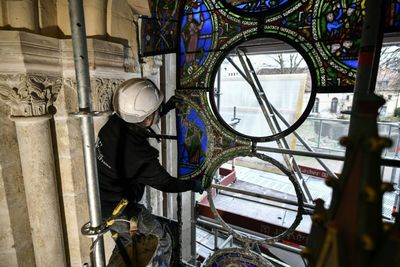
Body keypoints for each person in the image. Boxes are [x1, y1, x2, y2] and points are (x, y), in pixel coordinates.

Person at [95, 78, 204, 266]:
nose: (156, 114)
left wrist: (164, 109)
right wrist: (192, 184)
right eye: (155, 111)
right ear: (146, 118)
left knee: (127, 242)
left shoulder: (113, 124)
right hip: (118, 211)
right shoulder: (137, 155)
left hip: (101, 200)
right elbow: (166, 183)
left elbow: (141, 119)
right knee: (162, 239)